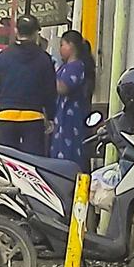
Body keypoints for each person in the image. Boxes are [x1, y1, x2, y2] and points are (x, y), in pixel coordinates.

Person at [0, 15, 56, 155]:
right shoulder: (44, 58)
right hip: (33, 119)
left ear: (16, 31)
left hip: (5, 117)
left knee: (6, 162)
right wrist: (50, 116)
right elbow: (50, 91)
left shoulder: (3, 56)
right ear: (35, 33)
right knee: (32, 164)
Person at [51, 31, 88, 169]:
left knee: (67, 153)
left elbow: (63, 88)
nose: (60, 49)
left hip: (70, 119)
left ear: (71, 45)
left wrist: (49, 74)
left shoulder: (76, 67)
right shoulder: (65, 67)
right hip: (60, 117)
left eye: (62, 45)